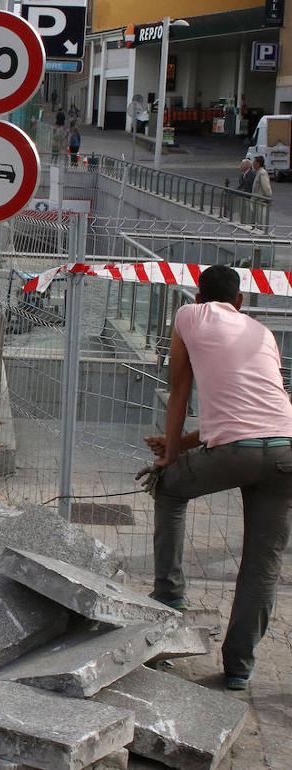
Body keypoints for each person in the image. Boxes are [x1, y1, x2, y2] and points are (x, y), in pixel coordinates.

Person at [142, 264, 292, 691]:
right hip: (286, 450)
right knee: (263, 566)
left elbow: (179, 390)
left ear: (196, 297)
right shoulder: (262, 332)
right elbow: (255, 415)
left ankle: (169, 594)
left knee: (168, 489)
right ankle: (238, 668)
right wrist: (186, 445)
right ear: (240, 302)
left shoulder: (190, 316)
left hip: (235, 451)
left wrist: (169, 456)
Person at [238, 158, 256, 224]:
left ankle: (250, 223)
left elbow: (252, 186)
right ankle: (243, 221)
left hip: (249, 197)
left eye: (242, 164)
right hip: (243, 197)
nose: (240, 166)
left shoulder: (252, 175)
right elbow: (240, 185)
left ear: (246, 166)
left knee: (249, 211)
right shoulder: (242, 174)